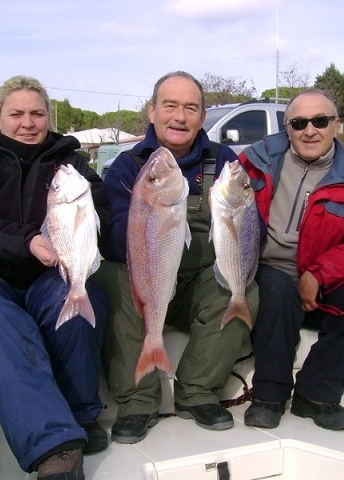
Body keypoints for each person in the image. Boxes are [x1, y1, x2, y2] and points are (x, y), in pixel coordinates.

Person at [0, 75, 110, 480]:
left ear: (49, 118)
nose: (28, 122)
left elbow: (99, 203)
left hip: (49, 271)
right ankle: (54, 448)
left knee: (80, 301)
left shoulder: (71, 162)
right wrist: (26, 241)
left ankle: (83, 412)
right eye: (17, 114)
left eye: (37, 113)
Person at [95, 71, 257, 443]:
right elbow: (114, 242)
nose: (179, 117)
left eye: (190, 108)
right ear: (152, 112)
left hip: (196, 286)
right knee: (111, 280)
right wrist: (150, 216)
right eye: (170, 106)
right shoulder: (129, 165)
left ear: (202, 117)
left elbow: (247, 227)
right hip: (149, 282)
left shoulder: (224, 161)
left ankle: (197, 392)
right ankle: (137, 401)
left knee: (241, 289)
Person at [238, 88, 344, 431]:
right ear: (286, 128)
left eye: (320, 121)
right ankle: (269, 395)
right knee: (277, 288)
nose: (310, 130)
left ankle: (316, 394)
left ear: (336, 126)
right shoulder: (254, 163)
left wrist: (319, 274)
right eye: (299, 122)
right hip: (263, 269)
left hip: (320, 277)